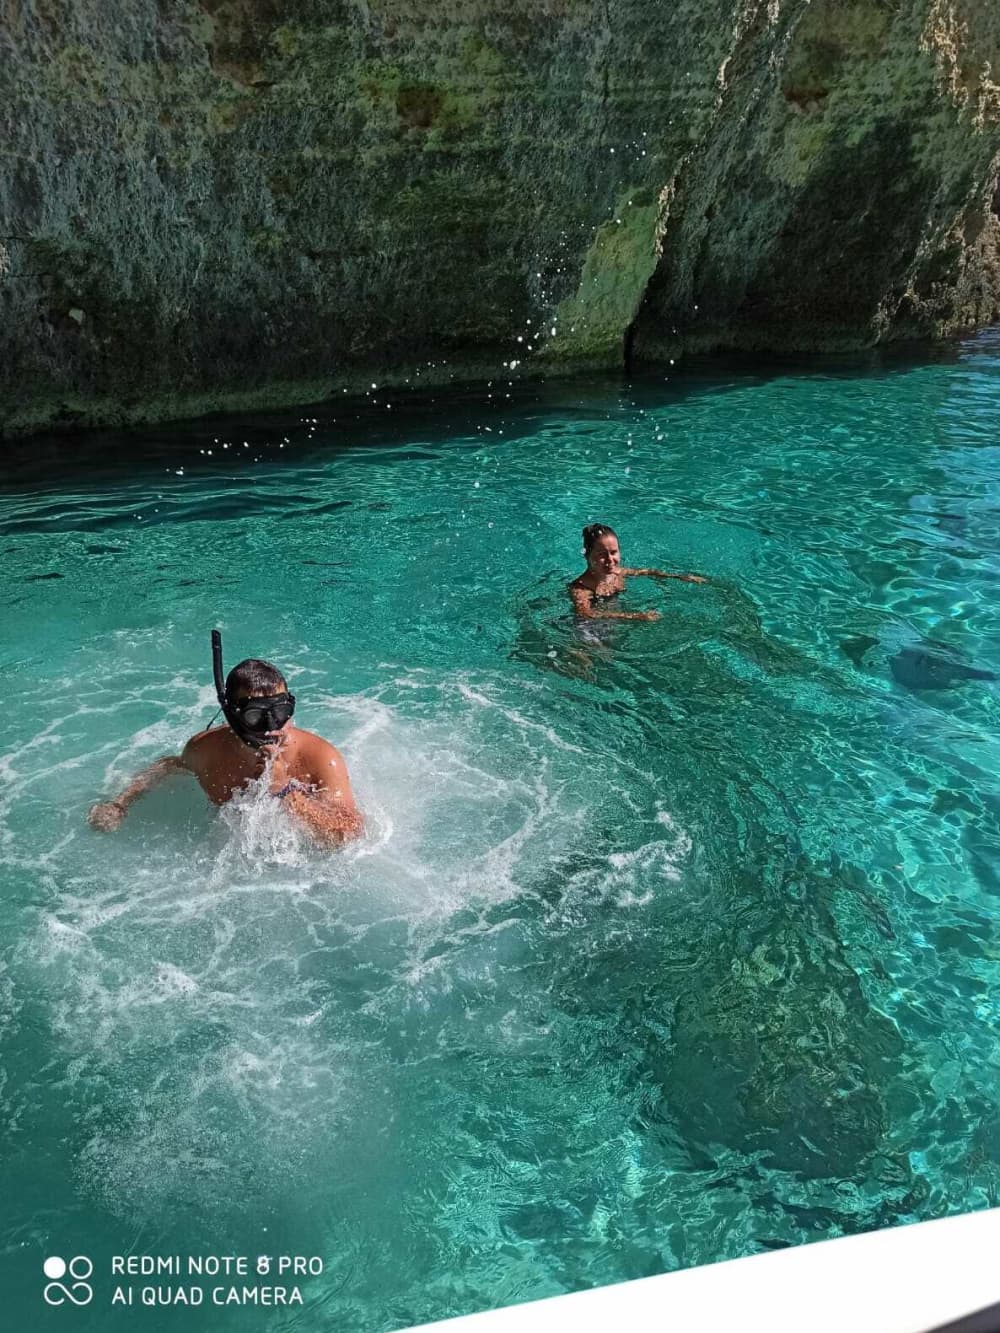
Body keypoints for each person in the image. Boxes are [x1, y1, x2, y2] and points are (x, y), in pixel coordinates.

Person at [88, 631, 363, 846]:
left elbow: (350, 835)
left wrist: (287, 794)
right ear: (232, 715)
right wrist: (120, 803)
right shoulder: (206, 749)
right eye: (256, 716)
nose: (272, 727)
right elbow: (169, 766)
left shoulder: (321, 758)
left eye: (280, 712)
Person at [568, 522, 706, 621]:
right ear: (587, 555)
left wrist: (679, 577)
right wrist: (634, 616)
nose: (610, 560)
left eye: (613, 552)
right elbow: (585, 614)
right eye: (601, 555)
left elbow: (647, 572)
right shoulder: (581, 588)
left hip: (611, 620)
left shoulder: (618, 572)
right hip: (587, 628)